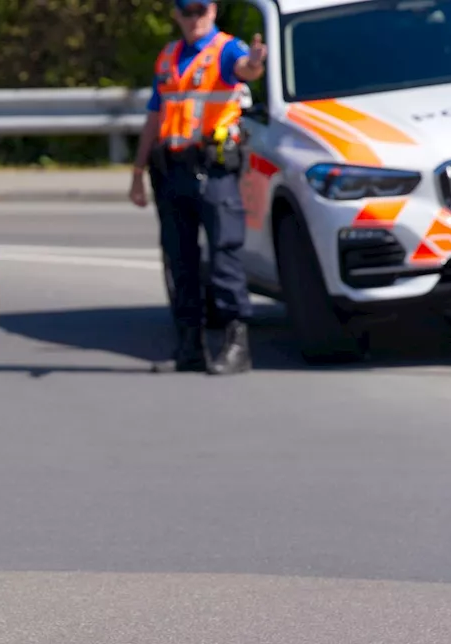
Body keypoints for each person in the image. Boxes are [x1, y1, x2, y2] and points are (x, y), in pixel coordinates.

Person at [130, 0, 267, 374]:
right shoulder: (170, 55)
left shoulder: (227, 49)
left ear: (213, 11)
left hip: (215, 168)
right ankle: (189, 348)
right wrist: (138, 170)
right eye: (186, 11)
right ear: (176, 14)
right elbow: (155, 113)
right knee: (180, 261)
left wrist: (255, 61)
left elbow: (246, 69)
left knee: (224, 255)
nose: (194, 19)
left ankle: (237, 346)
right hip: (172, 169)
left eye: (200, 11)